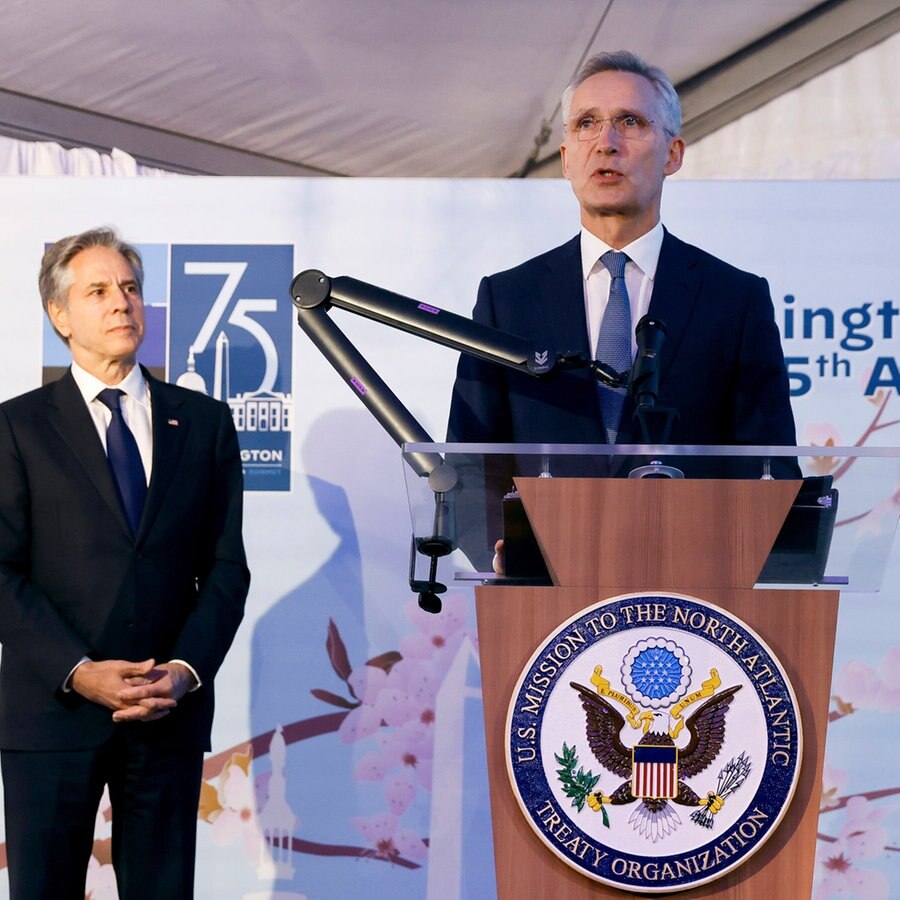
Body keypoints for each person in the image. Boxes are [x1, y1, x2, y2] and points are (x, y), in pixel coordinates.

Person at [447, 50, 798, 569]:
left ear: (673, 153)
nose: (606, 142)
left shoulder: (735, 299)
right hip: (540, 597)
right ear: (566, 158)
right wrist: (504, 553)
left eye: (629, 122)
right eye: (587, 124)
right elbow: (471, 461)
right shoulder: (507, 298)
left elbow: (767, 467)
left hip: (692, 596)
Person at [0, 228, 250, 899]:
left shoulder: (203, 423)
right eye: (99, 291)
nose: (122, 304)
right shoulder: (15, 428)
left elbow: (227, 569)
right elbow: (2, 574)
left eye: (131, 289)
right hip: (51, 718)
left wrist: (185, 671)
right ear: (60, 316)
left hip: (164, 718)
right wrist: (78, 673)